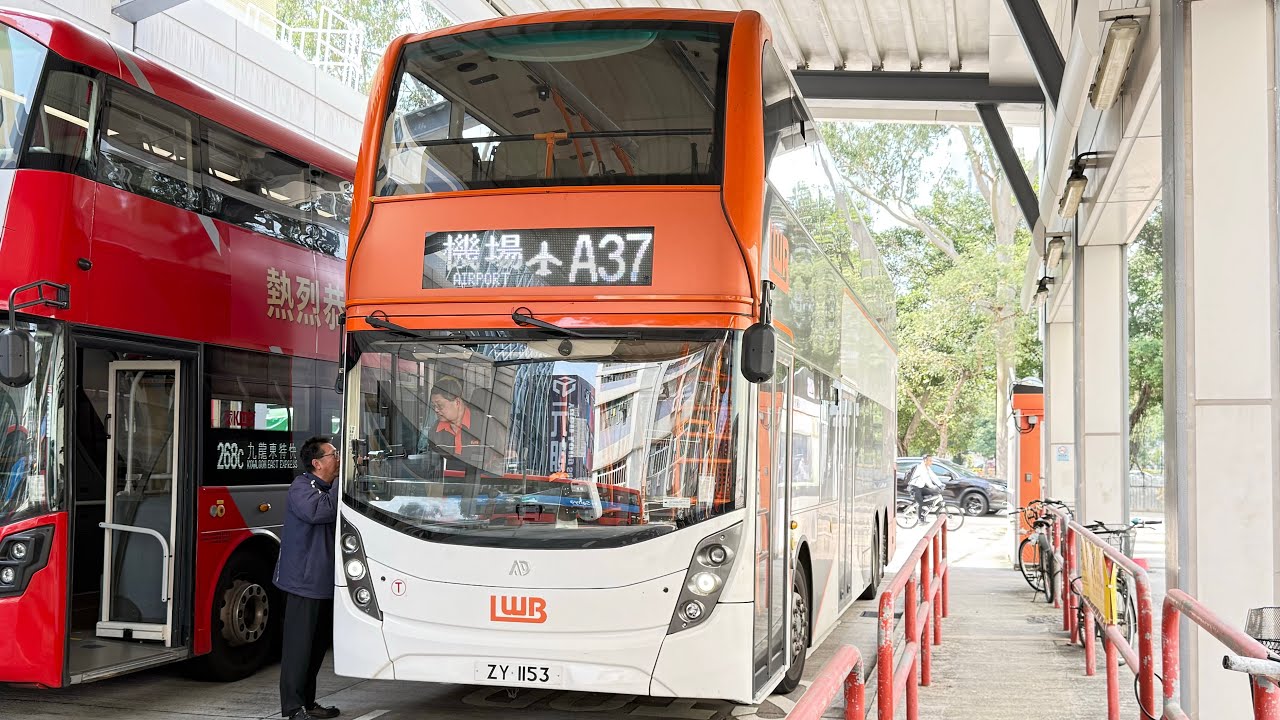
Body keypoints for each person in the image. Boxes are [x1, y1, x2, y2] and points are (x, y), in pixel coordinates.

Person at [273, 436, 341, 720]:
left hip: (323, 582)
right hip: (303, 583)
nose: (338, 458)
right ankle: (292, 708)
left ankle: (308, 703)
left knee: (315, 648)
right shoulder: (301, 486)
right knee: (298, 649)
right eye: (333, 454)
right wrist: (344, 481)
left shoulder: (326, 487)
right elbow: (321, 511)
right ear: (317, 463)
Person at [906, 454, 947, 522]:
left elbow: (933, 477)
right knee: (920, 502)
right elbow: (926, 479)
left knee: (932, 495)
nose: (931, 462)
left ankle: (925, 509)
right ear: (925, 460)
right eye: (930, 460)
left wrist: (940, 484)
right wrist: (933, 487)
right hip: (914, 488)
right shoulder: (920, 468)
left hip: (920, 488)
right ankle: (920, 520)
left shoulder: (927, 468)